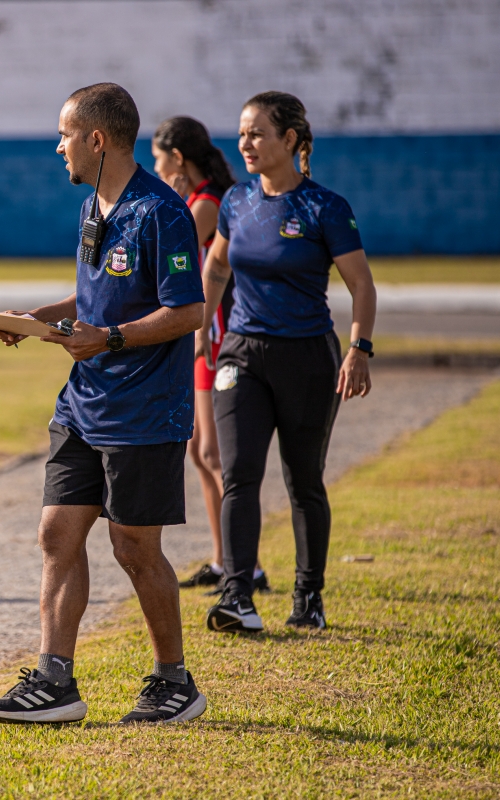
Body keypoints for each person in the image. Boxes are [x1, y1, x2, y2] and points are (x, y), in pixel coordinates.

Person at [0, 84, 207, 725]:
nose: (59, 147)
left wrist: (109, 339)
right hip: (82, 404)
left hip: (144, 410)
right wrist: (35, 320)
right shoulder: (90, 207)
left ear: (96, 139)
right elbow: (93, 296)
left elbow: (188, 310)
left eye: (65, 135)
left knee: (133, 548)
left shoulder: (162, 213)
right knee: (56, 533)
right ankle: (55, 682)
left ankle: (174, 683)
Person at [198, 93, 376, 633]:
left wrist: (358, 350)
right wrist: (203, 325)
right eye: (242, 133)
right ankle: (238, 595)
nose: (245, 143)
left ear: (290, 139)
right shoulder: (236, 200)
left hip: (307, 358)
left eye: (256, 133)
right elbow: (216, 267)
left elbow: (361, 285)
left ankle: (308, 596)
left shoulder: (325, 207)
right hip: (241, 355)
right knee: (238, 474)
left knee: (304, 481)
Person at [150, 117, 269, 595]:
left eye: (159, 159)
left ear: (178, 158)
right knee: (200, 451)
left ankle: (248, 566)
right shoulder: (195, 201)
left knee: (213, 452)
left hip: (214, 337)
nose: (156, 169)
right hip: (201, 338)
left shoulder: (205, 204)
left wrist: (171, 200)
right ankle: (224, 560)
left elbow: (160, 249)